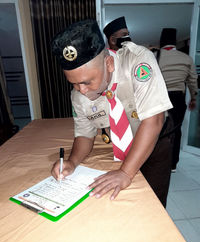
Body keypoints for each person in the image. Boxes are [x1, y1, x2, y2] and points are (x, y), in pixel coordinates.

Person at [51, 19, 173, 207]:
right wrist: (72, 162)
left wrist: (125, 173)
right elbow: (84, 135)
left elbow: (154, 120)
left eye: (87, 82)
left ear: (108, 63)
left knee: (152, 203)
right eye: (73, 83)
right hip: (121, 146)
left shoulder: (137, 60)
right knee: (122, 204)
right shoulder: (78, 95)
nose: (81, 90)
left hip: (155, 141)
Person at [158, 28, 198, 172]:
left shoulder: (156, 56)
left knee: (158, 129)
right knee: (176, 130)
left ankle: (158, 161)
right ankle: (173, 164)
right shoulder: (186, 58)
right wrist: (193, 98)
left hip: (159, 97)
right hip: (178, 99)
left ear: (161, 41)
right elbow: (193, 81)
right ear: (174, 42)